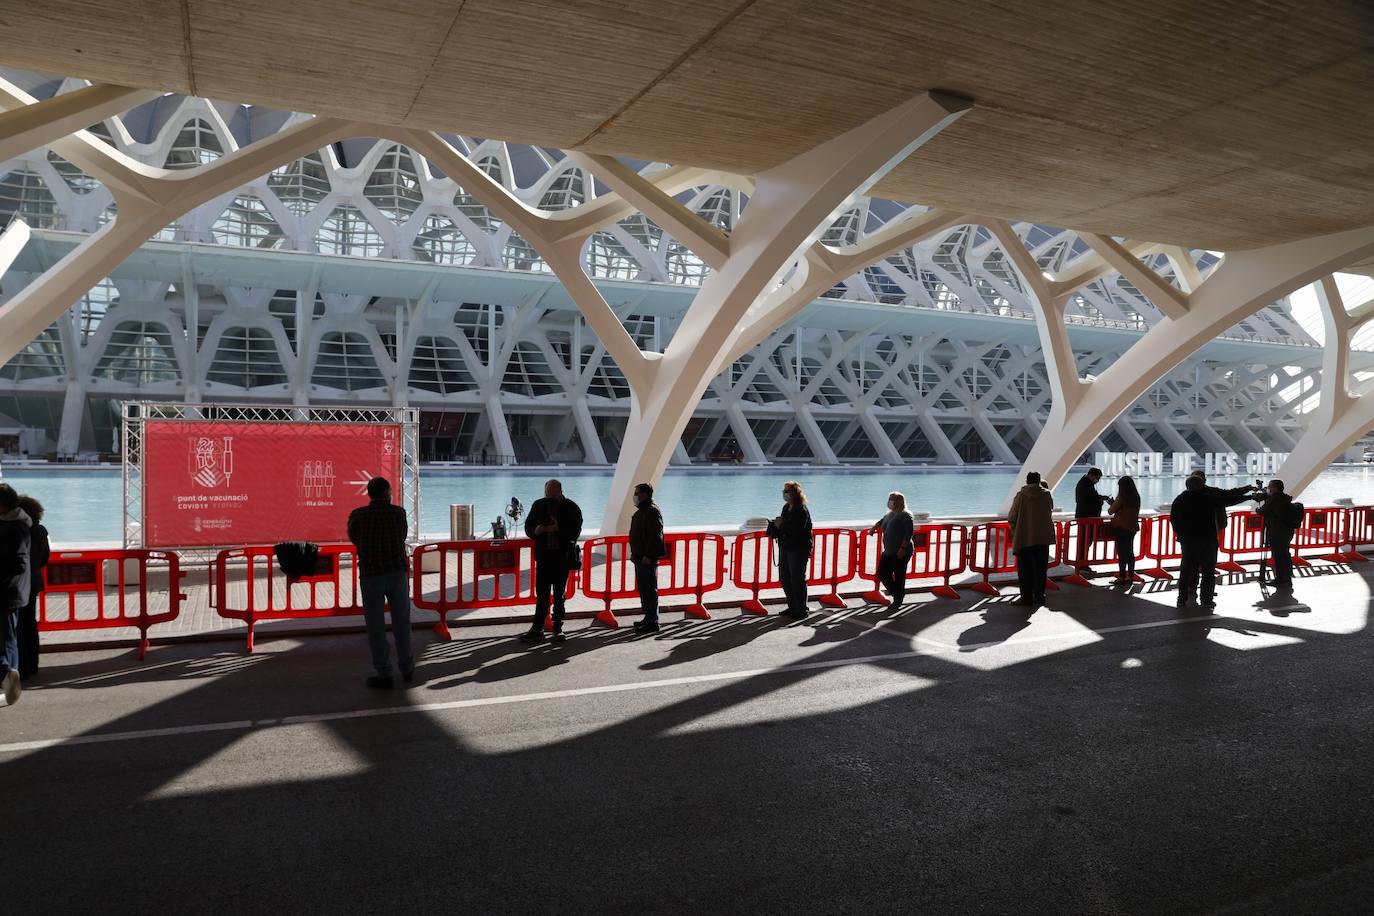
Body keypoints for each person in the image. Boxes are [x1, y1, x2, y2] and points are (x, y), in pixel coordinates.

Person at [347, 476, 413, 689]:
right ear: (388, 492)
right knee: (401, 622)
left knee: (375, 625)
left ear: (369, 494)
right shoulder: (399, 513)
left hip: (371, 574)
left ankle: (384, 672)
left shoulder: (357, 516)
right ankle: (407, 668)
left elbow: (354, 538)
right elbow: (402, 536)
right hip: (396, 573)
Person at [1169, 476, 1254, 610]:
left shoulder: (1179, 500)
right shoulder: (1205, 498)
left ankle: (1182, 599)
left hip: (1188, 542)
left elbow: (1173, 520)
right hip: (1207, 540)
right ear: (1201, 485)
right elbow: (1227, 500)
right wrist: (1249, 497)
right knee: (1208, 571)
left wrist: (1181, 535)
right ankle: (1206, 599)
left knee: (1186, 571)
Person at [522, 479, 583, 642]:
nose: (548, 496)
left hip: (562, 558)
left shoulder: (572, 507)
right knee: (541, 594)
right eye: (546, 493)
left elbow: (576, 532)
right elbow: (528, 526)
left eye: (551, 493)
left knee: (559, 595)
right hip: (543, 557)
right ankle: (537, 628)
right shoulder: (538, 505)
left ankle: (558, 627)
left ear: (559, 491)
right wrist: (536, 530)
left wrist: (559, 529)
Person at [0, 483, 31, 706]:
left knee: (7, 638)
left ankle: (8, 675)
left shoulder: (14, 527)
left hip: (7, 592)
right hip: (14, 591)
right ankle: (10, 679)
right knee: (8, 638)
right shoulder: (19, 524)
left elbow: (18, 562)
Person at [767, 480, 813, 620]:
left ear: (794, 493)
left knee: (797, 578)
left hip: (798, 548)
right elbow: (784, 525)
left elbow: (797, 530)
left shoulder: (801, 509)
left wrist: (781, 524)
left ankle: (801, 609)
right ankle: (793, 606)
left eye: (787, 491)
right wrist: (776, 525)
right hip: (786, 546)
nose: (785, 493)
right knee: (785, 578)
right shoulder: (786, 507)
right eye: (784, 491)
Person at [1008, 472, 1055, 606]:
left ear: (1027, 481)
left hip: (1025, 538)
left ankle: (1026, 598)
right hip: (1043, 538)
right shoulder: (1047, 494)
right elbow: (1049, 511)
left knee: (1025, 570)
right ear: (1039, 481)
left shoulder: (1021, 496)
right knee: (1041, 569)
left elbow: (1012, 516)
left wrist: (1015, 529)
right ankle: (1040, 596)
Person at [16, 495, 48, 681]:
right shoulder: (41, 531)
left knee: (17, 626)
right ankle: (33, 664)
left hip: (18, 584)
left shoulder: (18, 531)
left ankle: (23, 666)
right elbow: (44, 558)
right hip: (34, 581)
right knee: (30, 623)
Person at [628, 483, 666, 633]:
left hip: (646, 558)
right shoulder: (643, 510)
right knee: (644, 588)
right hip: (640, 556)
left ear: (644, 494)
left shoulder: (651, 511)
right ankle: (648, 617)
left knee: (649, 589)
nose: (635, 496)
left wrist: (648, 555)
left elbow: (655, 536)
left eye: (637, 493)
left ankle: (652, 621)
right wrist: (634, 552)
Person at [870, 491, 914, 608]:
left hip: (901, 551)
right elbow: (882, 521)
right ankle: (898, 594)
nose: (889, 502)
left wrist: (903, 548)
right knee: (882, 573)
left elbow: (909, 533)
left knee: (899, 575)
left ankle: (898, 598)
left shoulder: (905, 515)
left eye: (892, 500)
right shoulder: (890, 514)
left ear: (898, 502)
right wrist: (874, 527)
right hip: (889, 551)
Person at [1254, 479, 1296, 593]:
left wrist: (1257, 509)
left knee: (1278, 556)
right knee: (1285, 554)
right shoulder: (1285, 497)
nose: (1268, 488)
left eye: (1270, 487)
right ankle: (1287, 578)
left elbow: (1262, 511)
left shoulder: (1273, 499)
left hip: (1277, 531)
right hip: (1287, 531)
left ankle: (1281, 579)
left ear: (1276, 488)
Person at [1108, 476, 1141, 584]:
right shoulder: (1136, 497)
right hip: (1132, 527)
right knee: (1130, 552)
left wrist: (1112, 503)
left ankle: (1122, 576)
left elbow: (1111, 511)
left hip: (1121, 527)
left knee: (1121, 553)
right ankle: (1130, 576)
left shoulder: (1122, 497)